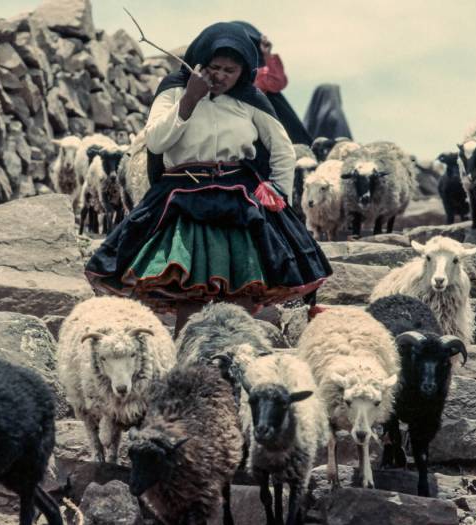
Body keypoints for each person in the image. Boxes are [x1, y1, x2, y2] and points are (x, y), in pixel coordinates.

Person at [85, 22, 332, 335]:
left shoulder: (251, 99)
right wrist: (189, 99)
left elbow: (283, 150)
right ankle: (188, 357)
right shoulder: (174, 89)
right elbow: (157, 142)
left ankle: (237, 354)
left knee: (242, 289)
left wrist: (277, 192)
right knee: (190, 290)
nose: (221, 76)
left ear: (243, 70)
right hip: (183, 198)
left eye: (231, 70)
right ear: (200, 62)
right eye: (215, 67)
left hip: (239, 201)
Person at [232, 21, 314, 146]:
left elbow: (277, 83)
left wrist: (267, 55)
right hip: (242, 130)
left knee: (273, 98)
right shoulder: (226, 73)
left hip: (271, 128)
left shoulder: (258, 72)